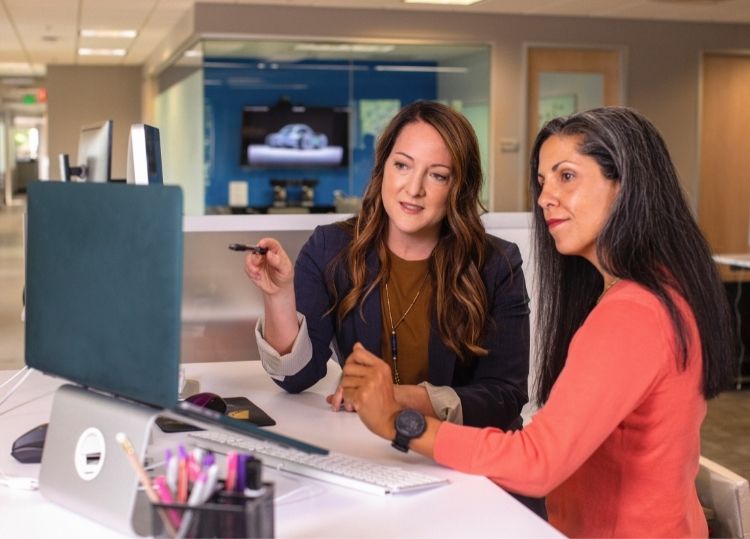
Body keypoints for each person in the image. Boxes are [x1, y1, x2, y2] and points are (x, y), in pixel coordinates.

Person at [341, 106, 735, 537]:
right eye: (543, 181)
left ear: (626, 186)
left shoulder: (634, 313)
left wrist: (399, 423)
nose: (546, 197)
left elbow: (538, 463)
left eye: (567, 176)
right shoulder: (662, 288)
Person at [245, 100, 543, 514]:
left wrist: (396, 400)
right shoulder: (331, 248)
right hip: (377, 464)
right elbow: (297, 377)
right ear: (383, 166)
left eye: (437, 175)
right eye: (402, 165)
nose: (413, 189)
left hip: (470, 470)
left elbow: (505, 397)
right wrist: (278, 295)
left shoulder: (496, 263)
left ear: (459, 187)